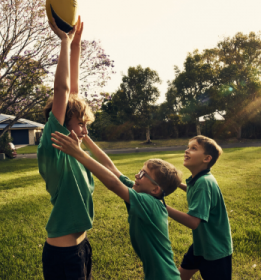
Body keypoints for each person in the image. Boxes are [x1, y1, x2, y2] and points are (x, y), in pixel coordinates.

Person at [50, 131, 182, 280]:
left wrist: (78, 153)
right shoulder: (143, 194)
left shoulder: (149, 203)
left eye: (143, 174)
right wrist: (85, 136)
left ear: (155, 189)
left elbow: (113, 184)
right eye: (140, 171)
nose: (137, 176)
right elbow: (110, 167)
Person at [37, 16, 95, 280]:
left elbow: (73, 92)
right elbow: (62, 90)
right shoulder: (54, 149)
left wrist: (76, 45)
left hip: (81, 247)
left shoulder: (75, 153)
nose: (85, 130)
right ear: (60, 124)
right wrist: (63, 40)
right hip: (63, 257)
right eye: (81, 123)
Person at [166, 135, 233, 280]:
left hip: (215, 251)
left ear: (206, 158)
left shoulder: (203, 182)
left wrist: (161, 205)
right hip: (202, 245)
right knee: (178, 276)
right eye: (188, 147)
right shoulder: (200, 179)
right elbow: (193, 190)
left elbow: (193, 222)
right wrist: (176, 184)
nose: (186, 151)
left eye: (193, 148)